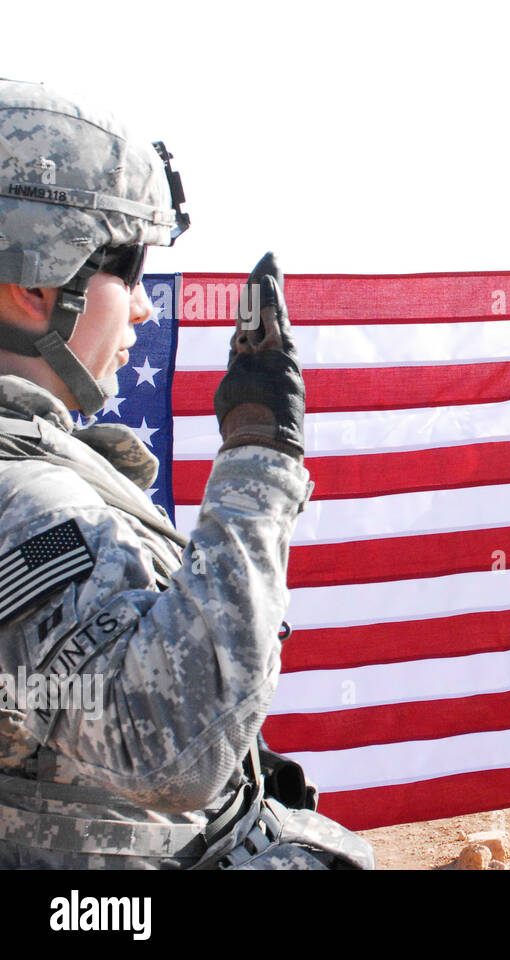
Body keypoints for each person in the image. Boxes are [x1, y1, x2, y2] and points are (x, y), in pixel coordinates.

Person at [0, 79, 372, 868]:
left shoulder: (45, 463)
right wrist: (259, 460)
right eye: (126, 269)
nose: (142, 306)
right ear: (35, 284)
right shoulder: (24, 500)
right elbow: (172, 747)